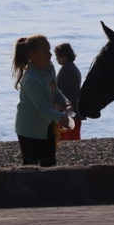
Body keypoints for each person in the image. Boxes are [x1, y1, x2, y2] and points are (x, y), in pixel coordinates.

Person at [12, 34, 71, 167]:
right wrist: (61, 117)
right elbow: (42, 109)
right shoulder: (31, 79)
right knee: (31, 168)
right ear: (31, 55)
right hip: (29, 130)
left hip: (47, 126)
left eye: (49, 50)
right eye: (45, 52)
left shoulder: (49, 68)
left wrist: (65, 103)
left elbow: (55, 92)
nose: (50, 55)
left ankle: (49, 188)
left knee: (49, 164)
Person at [54, 42, 82, 141]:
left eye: (57, 56)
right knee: (73, 139)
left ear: (64, 56)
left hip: (69, 112)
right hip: (75, 110)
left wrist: (58, 110)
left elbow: (63, 93)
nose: (56, 59)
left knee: (69, 139)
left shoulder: (66, 70)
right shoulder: (72, 68)